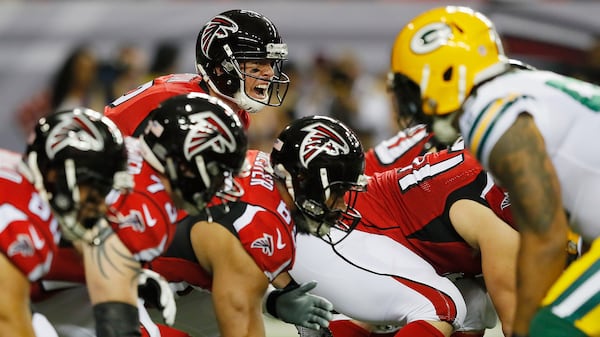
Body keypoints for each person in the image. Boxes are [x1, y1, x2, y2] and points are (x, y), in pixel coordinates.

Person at [388, 5, 600, 337]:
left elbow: (546, 236)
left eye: (411, 84)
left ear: (444, 72)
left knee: (548, 328)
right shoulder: (519, 89)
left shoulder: (491, 111)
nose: (410, 99)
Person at [31, 92, 250, 337]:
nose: (221, 185)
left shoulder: (132, 150)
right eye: (217, 172)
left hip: (43, 274)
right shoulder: (148, 210)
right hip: (27, 283)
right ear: (186, 164)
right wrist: (123, 278)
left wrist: (134, 275)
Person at [142, 115, 367, 337]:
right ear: (303, 178)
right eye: (337, 192)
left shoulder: (259, 166)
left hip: (163, 278)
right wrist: (271, 300)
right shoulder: (260, 227)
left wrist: (275, 298)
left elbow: (234, 273)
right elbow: (241, 294)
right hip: (123, 286)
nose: (341, 203)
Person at [291, 137, 517, 337]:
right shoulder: (491, 220)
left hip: (363, 235)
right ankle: (341, 320)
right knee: (442, 306)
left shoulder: (484, 175)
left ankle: (344, 322)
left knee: (472, 304)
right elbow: (517, 325)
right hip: (342, 232)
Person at [0, 108, 129, 336]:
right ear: (56, 177)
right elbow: (6, 317)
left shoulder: (18, 174)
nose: (100, 206)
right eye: (95, 190)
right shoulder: (22, 219)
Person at [104, 9, 289, 136]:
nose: (270, 73)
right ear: (219, 68)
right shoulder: (174, 102)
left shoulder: (235, 113)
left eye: (271, 63)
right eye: (257, 64)